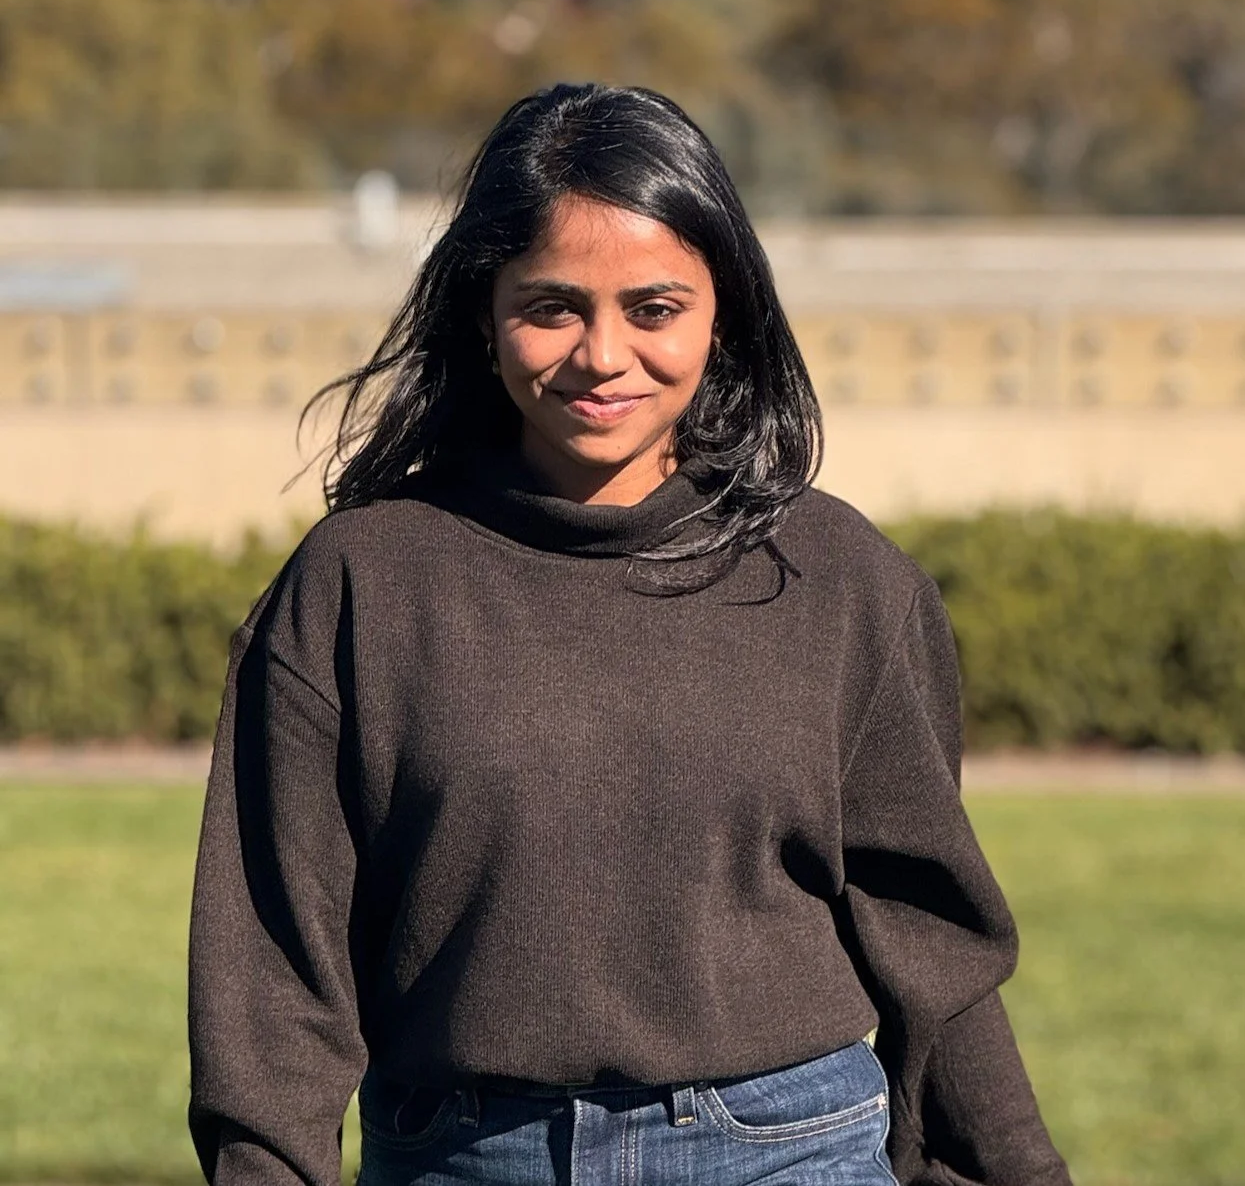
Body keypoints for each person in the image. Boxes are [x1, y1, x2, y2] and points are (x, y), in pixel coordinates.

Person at [187, 82, 1072, 1186]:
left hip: (789, 1154)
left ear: (725, 314)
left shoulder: (843, 582)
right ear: (482, 309)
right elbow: (274, 975)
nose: (603, 355)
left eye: (654, 308)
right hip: (459, 1157)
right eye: (552, 306)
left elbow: (930, 950)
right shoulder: (361, 583)